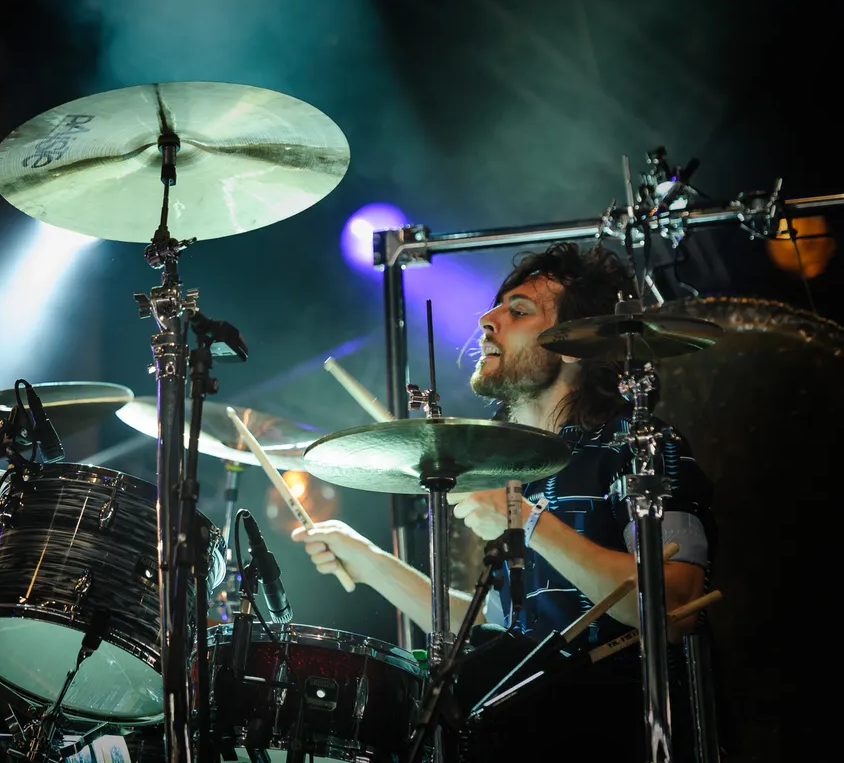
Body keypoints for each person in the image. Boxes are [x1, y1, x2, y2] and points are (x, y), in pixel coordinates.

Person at [291, 242, 715, 762]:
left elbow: (676, 606)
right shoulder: (511, 467)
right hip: (527, 730)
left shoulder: (639, 447)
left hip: (619, 729)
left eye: (519, 311)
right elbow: (491, 630)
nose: (487, 320)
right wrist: (371, 561)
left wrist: (527, 521)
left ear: (571, 343)